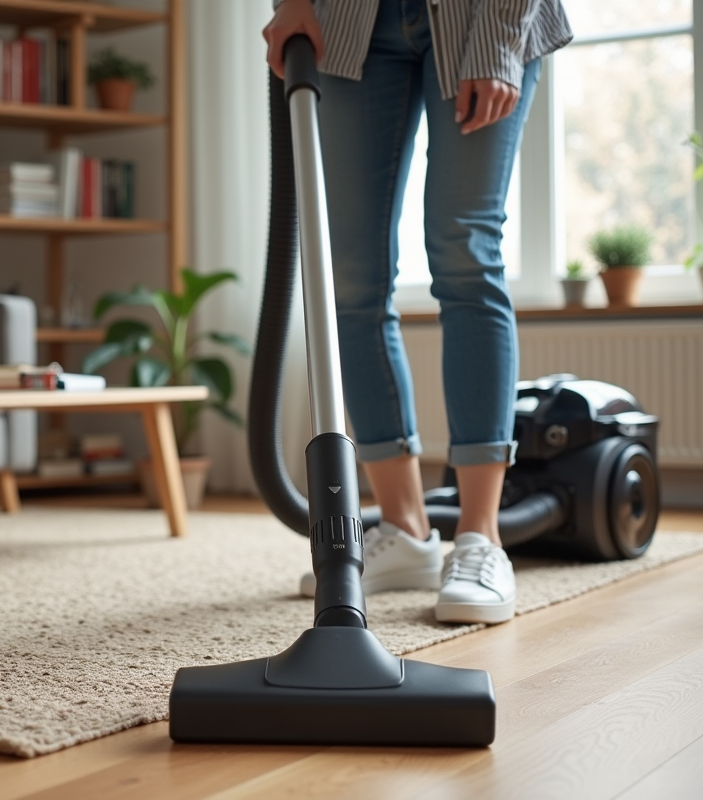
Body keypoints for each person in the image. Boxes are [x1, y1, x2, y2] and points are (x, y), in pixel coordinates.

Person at [263, 0, 572, 624]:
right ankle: (404, 526)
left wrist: (500, 40)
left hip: (481, 16)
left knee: (465, 253)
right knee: (351, 277)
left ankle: (480, 536)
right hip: (349, 21)